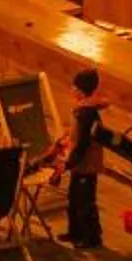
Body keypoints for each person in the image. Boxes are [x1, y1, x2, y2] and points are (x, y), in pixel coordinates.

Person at [54, 68, 110, 250]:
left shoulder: (86, 113)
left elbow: (83, 143)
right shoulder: (81, 111)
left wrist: (68, 163)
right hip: (80, 165)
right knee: (74, 198)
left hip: (86, 165)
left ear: (79, 90)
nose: (71, 90)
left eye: (73, 86)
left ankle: (91, 237)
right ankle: (75, 232)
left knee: (85, 202)